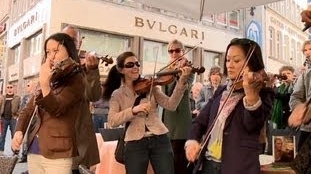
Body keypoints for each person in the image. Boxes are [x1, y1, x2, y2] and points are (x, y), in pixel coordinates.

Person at [185, 38, 275, 174]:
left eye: (236, 60)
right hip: (209, 165)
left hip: (238, 167)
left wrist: (251, 94)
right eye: (228, 60)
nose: (230, 65)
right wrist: (192, 141)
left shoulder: (263, 92)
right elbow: (200, 121)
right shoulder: (222, 90)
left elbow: (252, 125)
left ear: (251, 63)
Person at [11, 32, 86, 173]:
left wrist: (45, 85)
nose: (51, 56)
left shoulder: (76, 78)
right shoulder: (51, 76)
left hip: (59, 152)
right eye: (48, 52)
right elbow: (28, 110)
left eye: (56, 51)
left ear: (69, 51)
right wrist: (19, 131)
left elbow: (57, 108)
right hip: (35, 147)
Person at [106, 51, 192, 174]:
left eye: (137, 63)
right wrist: (133, 110)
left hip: (160, 138)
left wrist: (182, 81)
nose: (135, 67)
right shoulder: (117, 94)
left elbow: (171, 105)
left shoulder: (150, 85)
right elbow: (112, 121)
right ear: (121, 70)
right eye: (130, 65)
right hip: (135, 142)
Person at [63, 25, 101, 173]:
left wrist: (92, 71)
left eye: (73, 40)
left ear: (80, 43)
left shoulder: (85, 67)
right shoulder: (50, 62)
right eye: (66, 39)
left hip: (78, 132)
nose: (69, 43)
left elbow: (93, 96)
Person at [289, 4, 311, 173]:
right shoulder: (306, 74)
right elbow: (295, 97)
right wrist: (301, 109)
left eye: (310, 49)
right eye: (305, 50)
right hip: (310, 130)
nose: (307, 52)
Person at [162, 39, 195, 174]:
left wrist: (180, 74)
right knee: (168, 159)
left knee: (179, 159)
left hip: (179, 119)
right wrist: (171, 70)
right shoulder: (166, 69)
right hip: (165, 120)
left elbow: (182, 87)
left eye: (177, 50)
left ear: (183, 51)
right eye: (171, 51)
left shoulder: (188, 69)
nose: (174, 53)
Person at [18, 80, 39, 163]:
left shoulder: (38, 95)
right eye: (27, 85)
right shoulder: (25, 97)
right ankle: (24, 155)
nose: (27, 87)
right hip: (28, 121)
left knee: (32, 138)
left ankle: (30, 153)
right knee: (25, 138)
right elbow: (23, 108)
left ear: (34, 86)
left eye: (29, 85)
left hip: (36, 121)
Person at [0, 83, 21, 155]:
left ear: (13, 88)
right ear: (6, 89)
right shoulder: (3, 97)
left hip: (13, 119)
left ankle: (15, 151)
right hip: (4, 119)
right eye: (8, 87)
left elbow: (20, 107)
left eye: (11, 87)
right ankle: (1, 151)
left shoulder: (17, 97)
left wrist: (17, 115)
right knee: (2, 135)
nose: (9, 89)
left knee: (14, 136)